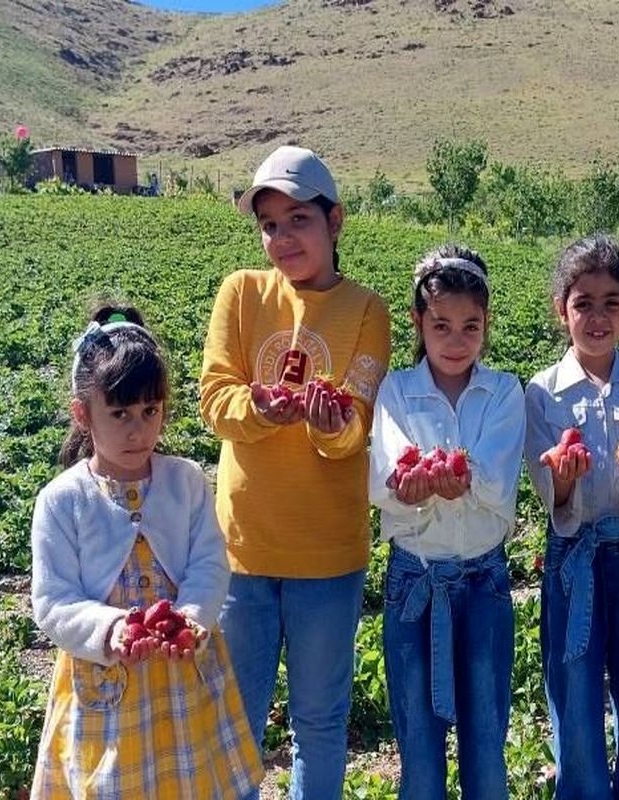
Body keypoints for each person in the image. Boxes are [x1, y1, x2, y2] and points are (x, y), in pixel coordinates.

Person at [199, 145, 391, 799]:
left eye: (298, 220)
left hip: (329, 559)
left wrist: (329, 424)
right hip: (242, 554)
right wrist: (257, 407)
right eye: (270, 224)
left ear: (334, 221)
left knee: (320, 722)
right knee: (237, 723)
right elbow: (214, 400)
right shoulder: (241, 293)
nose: (282, 239)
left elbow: (359, 420)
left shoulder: (367, 310)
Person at [30, 305, 262, 800]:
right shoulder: (63, 500)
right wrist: (110, 630)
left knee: (193, 779)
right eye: (120, 414)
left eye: (149, 411)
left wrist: (193, 618)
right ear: (82, 413)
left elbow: (208, 563)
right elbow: (53, 601)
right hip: (107, 680)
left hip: (185, 672)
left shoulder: (186, 481)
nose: (137, 430)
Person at [369, 245, 525, 798]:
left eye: (470, 326)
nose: (455, 341)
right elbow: (386, 476)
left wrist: (456, 479)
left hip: (485, 582)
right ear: (418, 321)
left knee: (487, 740)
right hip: (415, 579)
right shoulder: (396, 391)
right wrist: (411, 487)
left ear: (486, 325)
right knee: (419, 747)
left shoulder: (504, 392)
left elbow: (498, 482)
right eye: (441, 325)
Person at [524, 235, 619, 800]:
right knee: (575, 702)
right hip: (574, 564)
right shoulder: (542, 395)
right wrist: (562, 483)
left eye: (611, 301)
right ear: (561, 309)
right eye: (582, 302)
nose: (597, 315)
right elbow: (552, 501)